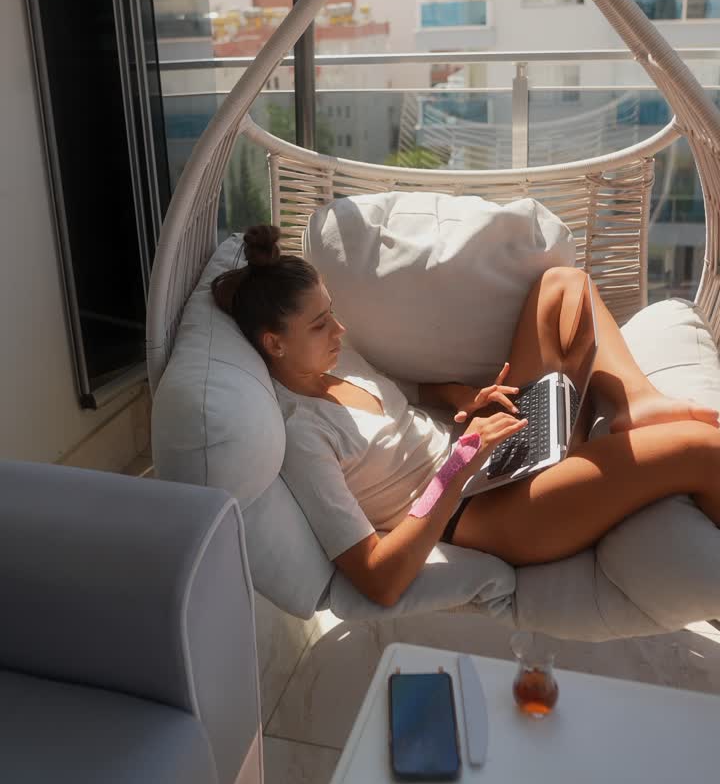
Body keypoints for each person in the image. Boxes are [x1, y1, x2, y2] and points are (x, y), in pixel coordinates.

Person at [212, 224, 720, 608]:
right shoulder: (302, 437)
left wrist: (467, 399)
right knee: (703, 449)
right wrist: (459, 463)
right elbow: (379, 579)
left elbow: (411, 391)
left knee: (563, 285)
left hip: (493, 451)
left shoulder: (333, 359)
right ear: (274, 343)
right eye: (321, 324)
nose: (341, 329)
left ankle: (636, 403)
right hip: (479, 513)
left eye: (333, 311)